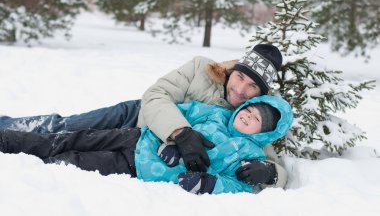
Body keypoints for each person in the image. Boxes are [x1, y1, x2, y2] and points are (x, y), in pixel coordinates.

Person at [0, 44, 286, 187]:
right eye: (240, 78)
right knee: (64, 127)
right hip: (136, 117)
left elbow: (272, 160)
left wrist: (272, 173)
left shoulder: (250, 116)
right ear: (232, 69)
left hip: (142, 150)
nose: (241, 89)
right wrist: (182, 133)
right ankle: (7, 129)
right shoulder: (202, 69)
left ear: (260, 93)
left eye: (252, 87)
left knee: (77, 154)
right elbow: (156, 94)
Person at [0, 95, 293, 195]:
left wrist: (208, 184)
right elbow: (168, 112)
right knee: (70, 138)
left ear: (264, 134)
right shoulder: (213, 113)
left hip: (138, 167)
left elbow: (238, 185)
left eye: (255, 119)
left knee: (76, 161)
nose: (246, 116)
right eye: (249, 109)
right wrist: (169, 138)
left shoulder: (251, 154)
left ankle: (32, 169)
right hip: (137, 138)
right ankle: (11, 140)